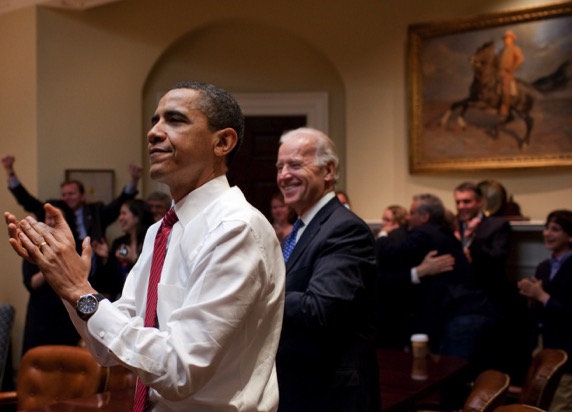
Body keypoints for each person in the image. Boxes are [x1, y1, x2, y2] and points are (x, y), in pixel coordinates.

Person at [6, 81, 285, 412]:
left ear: (222, 142)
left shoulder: (236, 229)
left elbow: (180, 371)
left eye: (175, 120)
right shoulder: (161, 231)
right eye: (155, 120)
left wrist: (81, 292)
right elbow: (106, 349)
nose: (154, 132)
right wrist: (69, 286)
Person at [274, 127, 380, 412]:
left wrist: (259, 291)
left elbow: (319, 308)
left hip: (331, 395)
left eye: (295, 164)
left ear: (328, 170)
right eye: (280, 166)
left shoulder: (344, 229)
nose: (284, 175)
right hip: (300, 386)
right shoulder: (297, 231)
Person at [378, 193, 495, 408]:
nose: (407, 218)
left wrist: (383, 234)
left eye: (412, 213)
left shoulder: (425, 232)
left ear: (424, 216)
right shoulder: (443, 233)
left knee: (451, 379)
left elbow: (389, 252)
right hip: (475, 309)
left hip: (460, 314)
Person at [454, 181, 528, 383]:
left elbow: (498, 258)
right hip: (457, 300)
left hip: (487, 300)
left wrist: (473, 240)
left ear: (479, 202)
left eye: (466, 201)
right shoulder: (452, 225)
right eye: (458, 202)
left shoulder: (497, 225)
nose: (461, 207)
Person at [1, 154, 142, 244]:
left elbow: (117, 205)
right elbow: (27, 200)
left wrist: (134, 180)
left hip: (93, 269)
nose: (67, 198)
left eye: (72, 194)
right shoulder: (55, 210)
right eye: (64, 194)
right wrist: (10, 171)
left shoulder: (96, 211)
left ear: (83, 196)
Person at [518, 209, 572, 412]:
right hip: (542, 343)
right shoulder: (543, 267)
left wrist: (542, 296)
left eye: (555, 229)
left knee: (560, 403)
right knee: (537, 402)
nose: (547, 233)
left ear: (570, 236)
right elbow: (539, 311)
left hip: (567, 350)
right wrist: (532, 298)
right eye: (546, 228)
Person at [21, 199, 80, 355]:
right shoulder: (32, 247)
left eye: (57, 217)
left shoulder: (76, 246)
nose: (52, 222)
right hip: (41, 315)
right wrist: (49, 264)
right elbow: (31, 284)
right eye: (49, 218)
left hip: (68, 314)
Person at [92, 199, 154, 301]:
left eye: (124, 213)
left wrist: (133, 260)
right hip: (122, 298)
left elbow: (151, 274)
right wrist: (107, 257)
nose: (120, 218)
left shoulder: (152, 240)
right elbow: (109, 284)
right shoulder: (119, 243)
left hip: (145, 297)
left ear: (137, 217)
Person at [498, 30, 525, 116]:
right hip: (499, 71)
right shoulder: (501, 50)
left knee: (505, 87)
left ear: (512, 39)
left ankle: (505, 107)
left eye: (508, 38)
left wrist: (512, 68)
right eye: (505, 38)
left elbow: (521, 59)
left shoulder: (515, 48)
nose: (506, 40)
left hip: (508, 73)